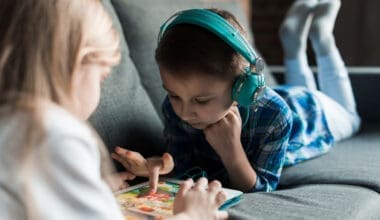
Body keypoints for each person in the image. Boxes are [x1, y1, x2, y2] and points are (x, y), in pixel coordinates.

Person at [0, 0, 228, 219]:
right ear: (79, 63)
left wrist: (93, 191)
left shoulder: (12, 124)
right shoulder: (54, 133)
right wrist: (191, 215)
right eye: (102, 77)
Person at [112, 0, 360, 193]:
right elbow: (185, 163)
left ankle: (322, 37)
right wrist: (159, 165)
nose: (184, 113)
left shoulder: (276, 116)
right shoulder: (175, 107)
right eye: (174, 95)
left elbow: (261, 188)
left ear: (243, 87)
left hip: (313, 112)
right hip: (284, 96)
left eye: (202, 100)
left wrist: (232, 151)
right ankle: (293, 42)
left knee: (352, 116)